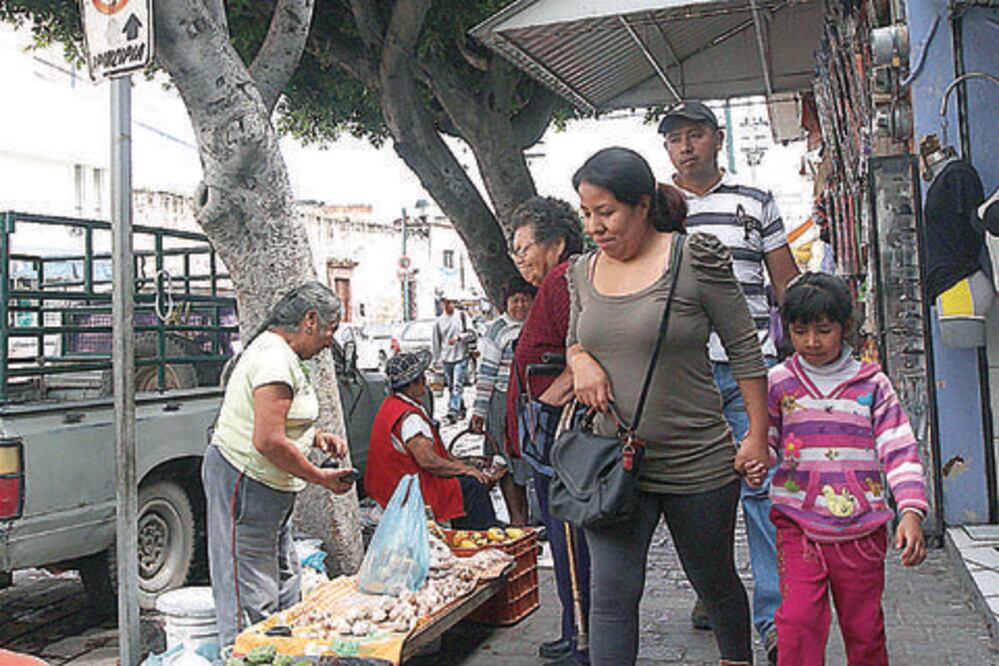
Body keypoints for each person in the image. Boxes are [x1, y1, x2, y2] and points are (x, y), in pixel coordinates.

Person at [567, 147, 769, 666]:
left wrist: (756, 435)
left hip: (696, 459)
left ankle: (736, 660)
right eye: (587, 214)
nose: (595, 226)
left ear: (641, 204)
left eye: (605, 212)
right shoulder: (582, 272)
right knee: (610, 597)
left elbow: (744, 346)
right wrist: (580, 360)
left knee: (715, 580)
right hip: (612, 463)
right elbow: (574, 338)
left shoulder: (693, 258)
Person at [659, 99, 798, 661]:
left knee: (761, 491)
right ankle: (714, 591)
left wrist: (808, 353)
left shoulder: (755, 199)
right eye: (674, 139)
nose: (685, 146)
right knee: (696, 494)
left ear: (718, 139)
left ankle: (771, 619)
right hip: (682, 376)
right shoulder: (655, 207)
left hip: (749, 371)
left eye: (695, 135)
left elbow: (785, 283)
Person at [767, 272, 928, 665]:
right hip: (798, 525)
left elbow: (899, 448)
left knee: (864, 629)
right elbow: (765, 440)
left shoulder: (872, 385)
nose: (812, 342)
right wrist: (752, 460)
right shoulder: (778, 383)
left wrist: (910, 511)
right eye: (801, 331)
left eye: (823, 330)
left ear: (845, 327)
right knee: (798, 621)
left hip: (862, 530)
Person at [202, 281, 356, 647]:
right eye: (330, 330)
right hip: (246, 481)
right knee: (248, 592)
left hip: (271, 489)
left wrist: (316, 437)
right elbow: (268, 440)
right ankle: (248, 653)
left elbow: (283, 421)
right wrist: (320, 477)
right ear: (310, 320)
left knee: (284, 580)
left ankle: (280, 651)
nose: (328, 341)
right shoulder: (273, 358)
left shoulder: (285, 356)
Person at [505, 195, 588, 665]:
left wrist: (547, 402)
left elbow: (585, 349)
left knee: (570, 542)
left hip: (556, 434)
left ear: (555, 244)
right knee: (559, 539)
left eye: (523, 249)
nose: (519, 261)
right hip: (544, 435)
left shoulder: (563, 279)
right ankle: (570, 627)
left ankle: (583, 638)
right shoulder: (555, 283)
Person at [365, 350, 498, 529]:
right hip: (408, 488)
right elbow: (429, 461)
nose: (426, 381)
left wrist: (460, 464)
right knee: (474, 486)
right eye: (422, 377)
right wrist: (465, 469)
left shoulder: (391, 405)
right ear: (413, 384)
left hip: (394, 482)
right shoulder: (410, 417)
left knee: (469, 478)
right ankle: (480, 532)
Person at [469, 276, 537, 526]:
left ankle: (530, 518)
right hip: (502, 403)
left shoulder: (538, 324)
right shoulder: (497, 329)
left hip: (531, 401)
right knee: (505, 460)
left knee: (529, 460)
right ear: (506, 303)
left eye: (525, 300)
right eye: (514, 301)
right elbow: (486, 372)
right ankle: (517, 519)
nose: (520, 306)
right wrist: (480, 410)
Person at [432, 294, 476, 423]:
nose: (449, 305)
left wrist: (459, 338)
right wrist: (437, 360)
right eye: (446, 302)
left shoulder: (462, 316)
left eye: (451, 302)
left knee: (457, 384)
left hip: (461, 355)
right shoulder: (439, 321)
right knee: (451, 386)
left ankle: (453, 410)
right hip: (447, 358)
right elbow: (436, 342)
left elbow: (472, 333)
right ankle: (461, 408)